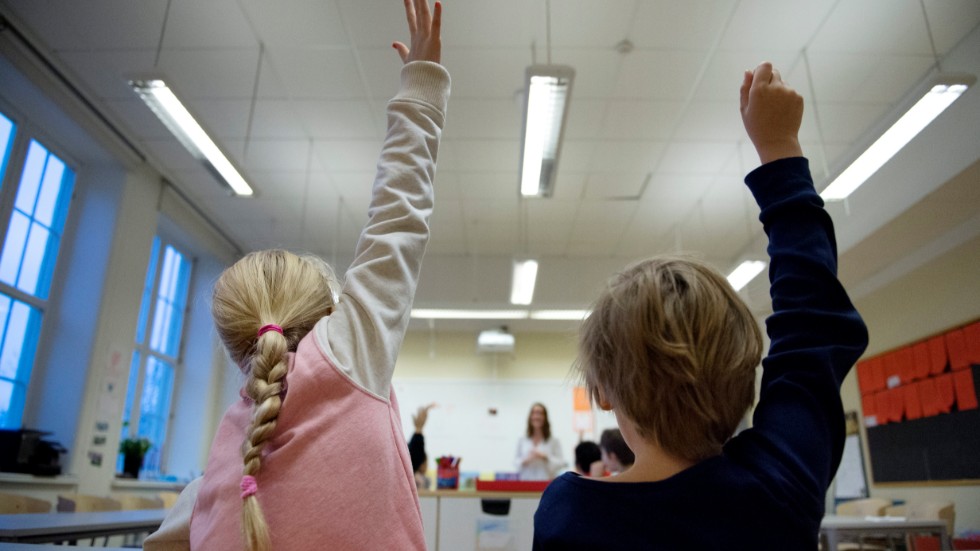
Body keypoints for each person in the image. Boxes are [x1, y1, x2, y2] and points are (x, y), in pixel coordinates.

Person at [143, 2, 448, 549]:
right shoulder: (346, 360)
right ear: (327, 315)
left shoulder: (229, 454)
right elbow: (398, 217)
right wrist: (420, 86)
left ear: (238, 346)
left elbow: (177, 531)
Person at [532, 62, 869, 549]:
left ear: (603, 392)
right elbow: (810, 327)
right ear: (742, 378)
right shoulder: (776, 489)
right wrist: (780, 150)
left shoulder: (568, 513)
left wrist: (780, 153)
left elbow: (811, 327)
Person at [515, 402, 566, 480]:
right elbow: (516, 462)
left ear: (545, 417)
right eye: (534, 413)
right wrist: (526, 459)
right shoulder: (522, 440)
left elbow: (561, 463)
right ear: (530, 417)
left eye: (540, 413)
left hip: (546, 484)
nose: (537, 416)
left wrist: (545, 457)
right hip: (526, 484)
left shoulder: (554, 441)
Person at [408, 403, 435, 490]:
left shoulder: (413, 478)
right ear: (422, 463)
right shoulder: (418, 480)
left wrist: (418, 429)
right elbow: (415, 453)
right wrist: (419, 429)